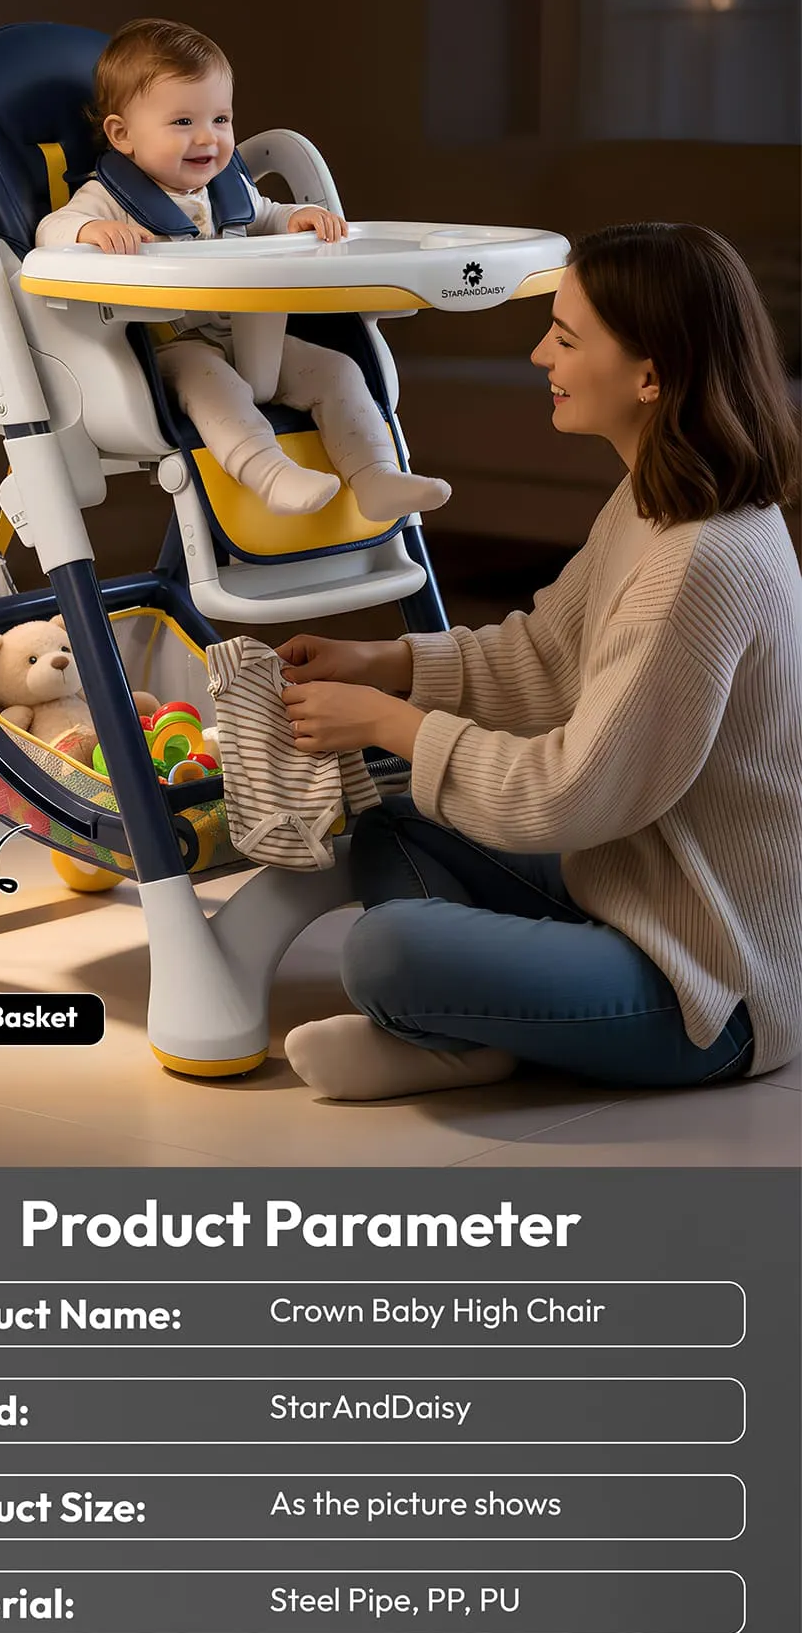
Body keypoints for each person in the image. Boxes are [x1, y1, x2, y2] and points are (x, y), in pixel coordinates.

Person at [279, 225, 802, 1098]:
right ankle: (482, 1031)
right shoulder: (656, 498)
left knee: (384, 949)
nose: (536, 354)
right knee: (395, 823)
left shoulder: (698, 563)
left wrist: (392, 723)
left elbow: (571, 790)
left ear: (650, 374)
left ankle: (460, 1020)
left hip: (710, 984)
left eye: (564, 337)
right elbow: (545, 654)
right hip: (630, 885)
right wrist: (386, 662)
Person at [33, 14, 449, 532]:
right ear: (123, 135)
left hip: (253, 340)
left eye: (221, 119)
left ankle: (377, 477)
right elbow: (52, 229)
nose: (207, 137)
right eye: (183, 122)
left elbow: (266, 216)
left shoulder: (227, 189)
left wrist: (294, 220)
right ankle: (273, 477)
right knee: (212, 385)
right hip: (171, 347)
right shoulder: (109, 198)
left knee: (337, 370)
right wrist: (87, 233)